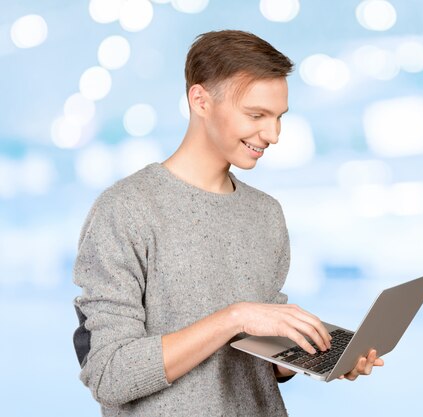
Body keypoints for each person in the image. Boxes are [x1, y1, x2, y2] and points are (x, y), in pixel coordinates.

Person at [72, 30, 383, 416]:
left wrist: (305, 358)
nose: (273, 135)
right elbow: (109, 375)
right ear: (200, 100)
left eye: (278, 117)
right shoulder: (126, 210)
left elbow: (258, 358)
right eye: (256, 115)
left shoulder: (266, 213)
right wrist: (234, 317)